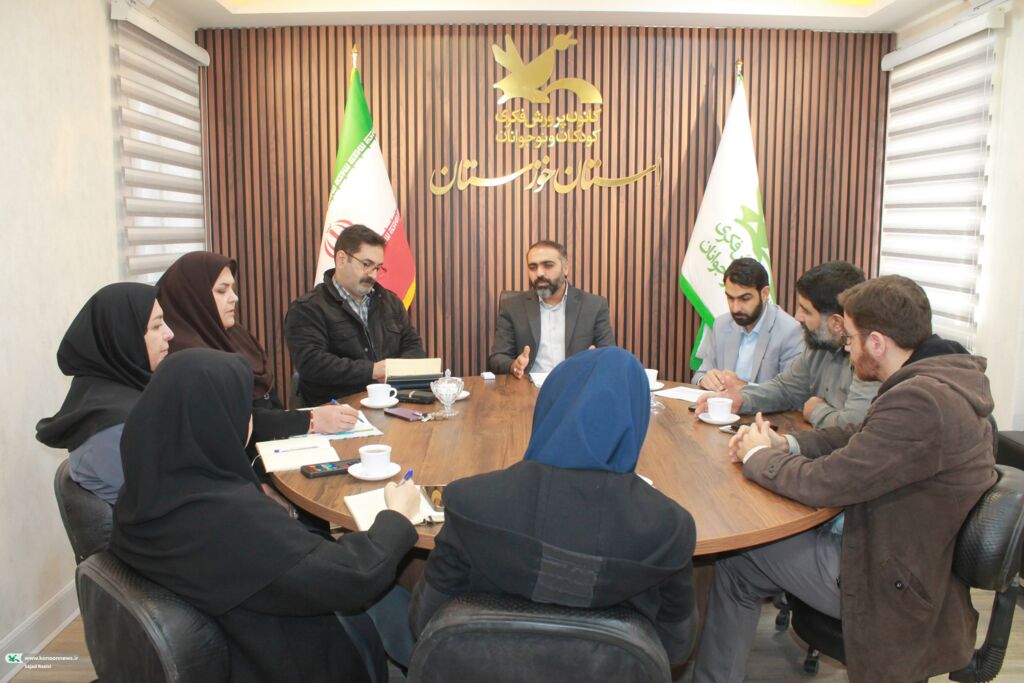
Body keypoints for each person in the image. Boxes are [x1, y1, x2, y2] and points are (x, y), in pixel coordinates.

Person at [692, 275, 996, 683]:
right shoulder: (932, 380)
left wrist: (759, 456)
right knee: (745, 563)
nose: (846, 347)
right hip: (902, 554)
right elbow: (856, 437)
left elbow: (827, 482)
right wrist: (787, 444)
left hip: (886, 579)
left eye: (850, 338)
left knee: (736, 560)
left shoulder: (921, 402)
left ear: (877, 343)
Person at [111, 349, 423, 683]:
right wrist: (396, 516)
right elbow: (355, 577)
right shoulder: (229, 519)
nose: (251, 419)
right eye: (244, 409)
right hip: (285, 661)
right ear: (217, 421)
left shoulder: (142, 494)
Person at [410, 347, 698, 665]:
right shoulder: (668, 528)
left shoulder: (471, 503)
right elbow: (675, 648)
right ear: (635, 417)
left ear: (550, 405)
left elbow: (424, 622)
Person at [158, 251, 358, 443]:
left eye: (232, 289)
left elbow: (268, 402)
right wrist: (311, 420)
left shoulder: (235, 334)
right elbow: (232, 421)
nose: (234, 297)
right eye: (221, 290)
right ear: (192, 297)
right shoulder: (183, 357)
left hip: (276, 443)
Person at [696, 260, 878, 428]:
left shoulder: (868, 357)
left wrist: (815, 410)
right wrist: (741, 400)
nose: (798, 317)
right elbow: (785, 389)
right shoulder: (817, 345)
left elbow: (852, 425)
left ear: (836, 323)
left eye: (806, 311)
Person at [36, 283, 173, 503]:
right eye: (156, 326)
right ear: (124, 336)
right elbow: (166, 500)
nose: (169, 333)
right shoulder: (115, 426)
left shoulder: (107, 390)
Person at [286, 225, 425, 405]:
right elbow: (312, 363)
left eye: (378, 267)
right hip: (336, 410)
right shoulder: (307, 308)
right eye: (366, 265)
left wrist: (395, 372)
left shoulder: (390, 301)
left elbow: (413, 346)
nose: (373, 275)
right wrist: (371, 370)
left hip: (392, 402)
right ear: (341, 259)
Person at [488, 240, 615, 378]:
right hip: (529, 387)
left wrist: (596, 360)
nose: (539, 273)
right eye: (533, 267)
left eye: (548, 265)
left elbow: (611, 356)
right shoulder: (513, 307)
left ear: (565, 268)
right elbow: (497, 358)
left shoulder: (594, 306)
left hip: (576, 385)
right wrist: (514, 366)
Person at [691, 257, 803, 390]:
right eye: (730, 298)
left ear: (764, 294)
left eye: (744, 299)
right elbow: (700, 374)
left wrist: (743, 388)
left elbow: (791, 392)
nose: (735, 308)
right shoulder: (722, 324)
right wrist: (705, 379)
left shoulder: (790, 331)